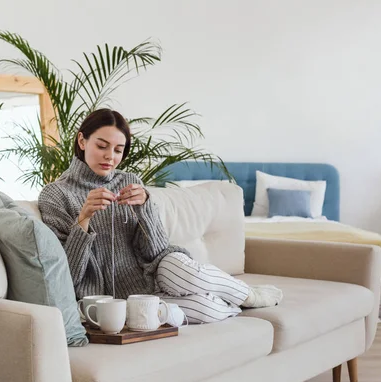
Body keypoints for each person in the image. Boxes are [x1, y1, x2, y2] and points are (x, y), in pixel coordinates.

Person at [38, 108, 283, 324]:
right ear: (82, 140)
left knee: (181, 268)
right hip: (121, 301)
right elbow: (67, 275)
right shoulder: (55, 195)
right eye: (101, 146)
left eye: (118, 150)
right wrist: (83, 220)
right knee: (205, 307)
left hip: (156, 273)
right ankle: (234, 300)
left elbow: (155, 251)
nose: (110, 157)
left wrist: (145, 207)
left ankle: (248, 294)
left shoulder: (130, 182)